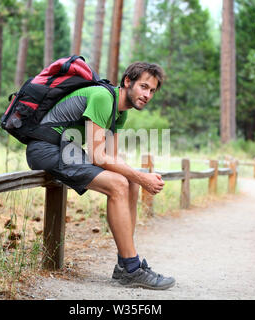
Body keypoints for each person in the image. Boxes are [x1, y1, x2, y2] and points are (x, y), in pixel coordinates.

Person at [26, 62, 175, 290]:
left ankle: (124, 263)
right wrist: (141, 177)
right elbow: (98, 156)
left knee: (131, 183)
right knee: (118, 184)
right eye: (144, 87)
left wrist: (139, 178)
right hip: (45, 148)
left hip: (67, 150)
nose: (147, 95)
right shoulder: (102, 97)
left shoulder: (120, 113)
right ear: (128, 81)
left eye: (152, 91)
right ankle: (132, 268)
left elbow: (111, 157)